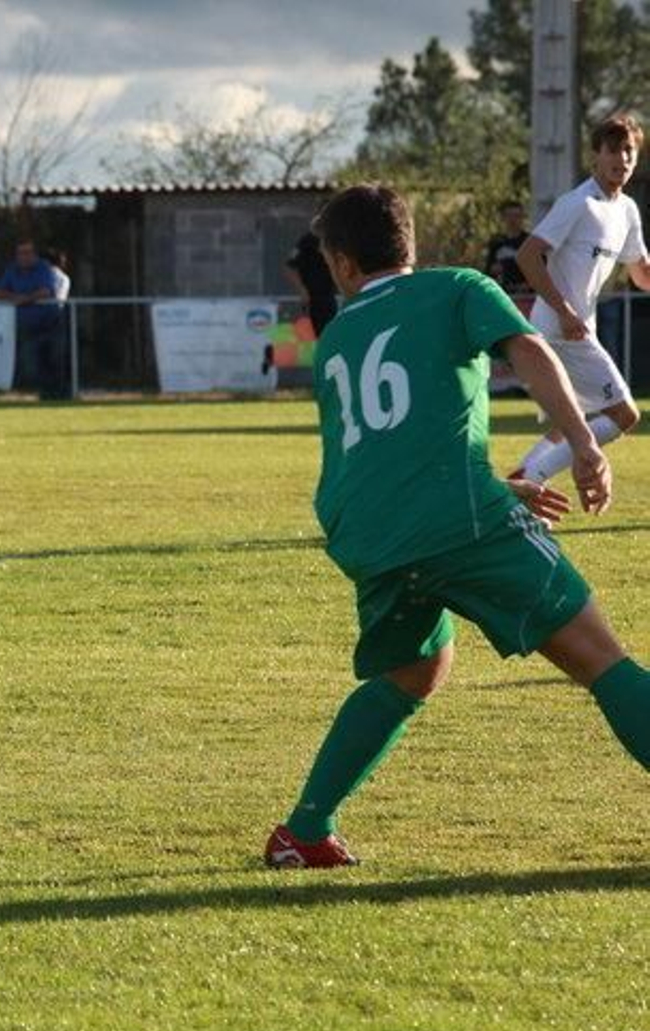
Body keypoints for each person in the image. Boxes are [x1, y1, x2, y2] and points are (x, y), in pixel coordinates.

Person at [265, 183, 650, 869]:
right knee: (600, 655)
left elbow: (376, 443)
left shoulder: (338, 338)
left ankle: (305, 828)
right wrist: (584, 445)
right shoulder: (458, 287)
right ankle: (306, 827)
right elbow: (529, 351)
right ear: (407, 244)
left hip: (370, 533)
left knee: (414, 668)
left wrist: (482, 487)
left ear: (346, 264)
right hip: (456, 517)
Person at [511, 114, 650, 483]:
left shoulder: (627, 210)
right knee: (624, 415)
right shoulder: (578, 203)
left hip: (574, 328)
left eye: (629, 150)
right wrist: (565, 311)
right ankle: (533, 476)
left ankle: (524, 480)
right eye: (613, 149)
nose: (622, 158)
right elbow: (528, 255)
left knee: (572, 420)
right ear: (596, 156)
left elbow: (641, 274)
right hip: (560, 329)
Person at [0, 239, 63, 398]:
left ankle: (57, 393)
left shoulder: (44, 268)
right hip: (26, 327)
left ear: (34, 255)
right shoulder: (12, 270)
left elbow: (45, 292)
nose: (24, 257)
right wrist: (17, 297)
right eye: (20, 253)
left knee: (55, 359)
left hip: (50, 324)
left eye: (27, 253)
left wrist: (23, 299)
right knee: (30, 364)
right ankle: (44, 392)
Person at [483, 199, 531, 295]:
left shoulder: (529, 241)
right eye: (509, 216)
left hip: (526, 294)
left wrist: (506, 266)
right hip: (502, 293)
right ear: (503, 218)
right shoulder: (496, 242)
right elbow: (489, 270)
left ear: (523, 218)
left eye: (517, 216)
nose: (512, 220)